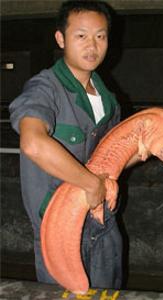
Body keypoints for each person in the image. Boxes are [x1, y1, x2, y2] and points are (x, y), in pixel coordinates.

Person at [9, 0, 127, 289]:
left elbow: (115, 153)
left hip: (103, 222)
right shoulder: (45, 88)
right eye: (81, 35)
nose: (92, 45)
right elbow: (33, 143)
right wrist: (90, 183)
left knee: (110, 293)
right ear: (61, 39)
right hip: (61, 229)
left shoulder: (107, 97)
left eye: (100, 36)